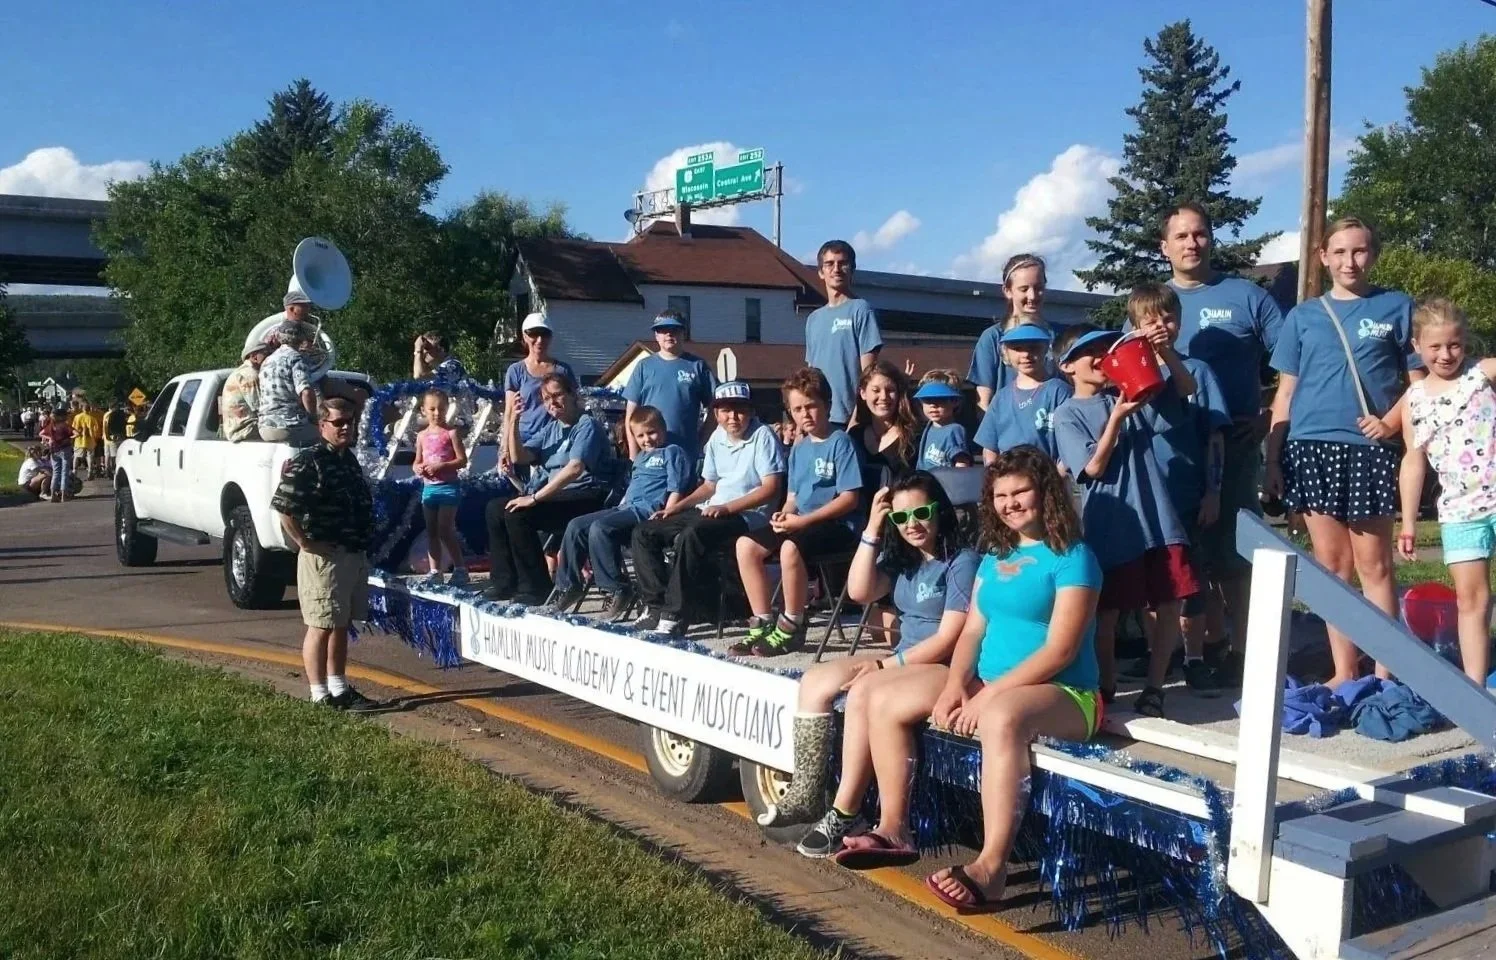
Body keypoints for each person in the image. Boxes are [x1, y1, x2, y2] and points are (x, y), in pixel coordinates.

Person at [921, 447, 1102, 912]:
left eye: (1020, 490)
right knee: (884, 692)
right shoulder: (994, 556)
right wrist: (956, 686)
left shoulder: (1073, 557)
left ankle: (991, 867)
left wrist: (990, 696)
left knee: (1001, 717)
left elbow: (1060, 650)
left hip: (1068, 694)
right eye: (1000, 495)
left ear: (1046, 493)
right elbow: (972, 630)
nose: (1010, 503)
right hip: (992, 688)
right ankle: (885, 827)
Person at [769, 473, 978, 859]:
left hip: (944, 663)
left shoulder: (961, 561)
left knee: (865, 689)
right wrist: (872, 529)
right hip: (905, 656)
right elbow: (860, 591)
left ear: (940, 511)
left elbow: (950, 638)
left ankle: (845, 811)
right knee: (816, 681)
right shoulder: (905, 558)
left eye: (921, 512)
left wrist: (885, 666)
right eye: (901, 517)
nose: (912, 524)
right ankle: (808, 792)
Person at [1265, 216, 1420, 686]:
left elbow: (1420, 385)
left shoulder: (1396, 307)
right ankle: (1344, 671)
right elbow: (1285, 393)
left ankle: (1386, 671)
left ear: (1372, 255)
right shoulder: (1303, 316)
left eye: (1359, 251)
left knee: (1375, 565)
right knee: (1333, 568)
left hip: (1367, 449)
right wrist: (1273, 458)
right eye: (1340, 252)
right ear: (1323, 257)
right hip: (1309, 447)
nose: (1350, 261)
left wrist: (1390, 422)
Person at [1152, 202, 1285, 673]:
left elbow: (1295, 358)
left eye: (1200, 234)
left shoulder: (1246, 296)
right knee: (1183, 558)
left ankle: (1243, 653)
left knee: (1233, 555)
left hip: (1235, 448)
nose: (1192, 243)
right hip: (1172, 456)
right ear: (1164, 246)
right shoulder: (1151, 307)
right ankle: (1192, 649)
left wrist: (1270, 413)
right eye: (1182, 236)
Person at [1052, 324, 1199, 716]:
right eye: (1089, 352)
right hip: (1114, 523)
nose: (1101, 357)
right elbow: (1093, 468)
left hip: (1158, 514)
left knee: (1168, 602)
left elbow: (1185, 390)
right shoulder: (1066, 414)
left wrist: (1162, 351)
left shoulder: (1129, 390)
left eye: (1105, 348)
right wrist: (1117, 419)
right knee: (1108, 613)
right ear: (1067, 367)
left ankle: (1155, 688)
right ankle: (1106, 686)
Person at [1127, 283, 1229, 693]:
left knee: (1191, 582)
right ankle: (1160, 656)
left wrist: (1214, 491)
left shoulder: (1197, 370)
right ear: (1135, 325)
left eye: (1168, 317)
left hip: (1186, 494)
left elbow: (1214, 435)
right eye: (1150, 319)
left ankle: (1194, 657)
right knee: (1153, 586)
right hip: (1144, 498)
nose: (1160, 326)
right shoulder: (1126, 369)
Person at [1393, 299, 1496, 686]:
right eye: (1435, 347)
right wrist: (1407, 524)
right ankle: (1475, 689)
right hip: (1460, 511)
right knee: (1472, 599)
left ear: (1465, 343)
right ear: (1417, 346)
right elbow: (1413, 462)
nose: (1446, 354)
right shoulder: (1414, 400)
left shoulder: (1483, 373)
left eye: (1454, 345)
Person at [630, 381, 786, 636]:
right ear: (716, 414)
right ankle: (655, 605)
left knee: (693, 534)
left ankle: (676, 614)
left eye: (740, 410)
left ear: (751, 411)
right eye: (725, 410)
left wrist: (727, 508)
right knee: (645, 531)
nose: (733, 416)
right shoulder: (716, 437)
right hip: (713, 508)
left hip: (748, 515)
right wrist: (676, 508)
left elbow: (771, 489)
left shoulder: (762, 436)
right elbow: (709, 485)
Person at [731, 368, 863, 656]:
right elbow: (792, 497)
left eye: (811, 405)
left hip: (836, 525)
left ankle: (792, 624)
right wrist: (784, 514)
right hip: (800, 522)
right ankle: (763, 622)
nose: (805, 414)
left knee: (790, 548)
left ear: (826, 404)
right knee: (746, 545)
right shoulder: (799, 449)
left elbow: (850, 498)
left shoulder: (841, 443)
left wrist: (802, 521)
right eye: (797, 409)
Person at [270, 397, 378, 711]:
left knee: (340, 623)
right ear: (322, 426)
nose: (345, 427)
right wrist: (305, 543)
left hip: (351, 553)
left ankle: (340, 689)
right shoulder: (310, 461)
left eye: (350, 421)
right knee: (320, 625)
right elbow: (283, 508)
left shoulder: (348, 459)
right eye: (338, 422)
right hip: (324, 558)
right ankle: (319, 695)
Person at [483, 373, 614, 606]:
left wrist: (534, 498)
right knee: (495, 508)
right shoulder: (551, 429)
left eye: (557, 395)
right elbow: (520, 455)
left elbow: (575, 468)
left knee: (520, 514)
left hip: (586, 496)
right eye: (546, 398)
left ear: (573, 395)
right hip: (556, 495)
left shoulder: (587, 426)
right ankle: (506, 582)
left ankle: (536, 586)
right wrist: (513, 420)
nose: (552, 402)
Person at [550, 405, 693, 617]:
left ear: (663, 429)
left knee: (601, 528)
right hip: (626, 506)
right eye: (641, 436)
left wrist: (668, 514)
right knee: (576, 525)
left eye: (652, 432)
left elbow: (677, 488)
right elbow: (632, 487)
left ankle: (616, 588)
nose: (647, 440)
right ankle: (568, 586)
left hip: (648, 510)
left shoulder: (672, 452)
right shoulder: (641, 458)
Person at [805, 240, 882, 428]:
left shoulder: (861, 309)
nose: (836, 269)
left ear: (852, 270)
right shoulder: (813, 319)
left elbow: (869, 374)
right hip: (819, 419)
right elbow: (810, 375)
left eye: (842, 263)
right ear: (821, 272)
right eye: (829, 264)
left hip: (850, 419)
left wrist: (858, 416)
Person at [973, 323, 1071, 465]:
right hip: (1009, 478)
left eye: (1034, 348)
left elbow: (1069, 449)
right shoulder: (1001, 398)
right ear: (1006, 353)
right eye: (1017, 349)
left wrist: (1055, 480)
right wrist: (994, 480)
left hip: (1049, 478)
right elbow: (990, 449)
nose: (1026, 354)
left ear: (1046, 350)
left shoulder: (1059, 391)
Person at [623, 311, 716, 460]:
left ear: (683, 333)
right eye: (663, 330)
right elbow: (630, 417)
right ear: (656, 336)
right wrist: (634, 457)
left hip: (685, 454)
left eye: (674, 330)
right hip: (650, 455)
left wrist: (700, 444)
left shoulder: (698, 366)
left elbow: (715, 410)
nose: (668, 334)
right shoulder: (644, 366)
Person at [968, 253, 1050, 411]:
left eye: (1038, 288)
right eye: (1024, 289)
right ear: (1007, 291)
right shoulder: (993, 337)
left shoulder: (1058, 335)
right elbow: (983, 403)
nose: (1032, 296)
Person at [413, 388, 469, 586]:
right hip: (430, 489)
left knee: (445, 529)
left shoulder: (451, 433)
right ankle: (435, 570)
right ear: (424, 410)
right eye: (432, 409)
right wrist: (419, 468)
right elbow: (417, 461)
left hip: (448, 487)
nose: (437, 413)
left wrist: (442, 466)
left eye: (441, 409)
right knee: (431, 530)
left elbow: (462, 460)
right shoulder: (421, 436)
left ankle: (460, 568)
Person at [504, 313, 578, 448]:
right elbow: (509, 412)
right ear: (525, 336)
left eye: (545, 334)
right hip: (524, 443)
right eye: (534, 334)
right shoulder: (515, 371)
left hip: (556, 441)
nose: (539, 340)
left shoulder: (563, 370)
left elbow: (575, 405)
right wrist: (505, 449)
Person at [851, 361, 918, 484]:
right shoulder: (854, 436)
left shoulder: (913, 436)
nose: (883, 397)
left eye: (890, 390)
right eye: (876, 390)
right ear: (863, 393)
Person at [258, 320, 322, 446]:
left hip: (265, 427)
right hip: (289, 426)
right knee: (327, 435)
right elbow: (306, 392)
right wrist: (314, 417)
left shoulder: (266, 361)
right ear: (300, 338)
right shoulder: (296, 358)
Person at [913, 371, 972, 470]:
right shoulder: (929, 427)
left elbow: (961, 464)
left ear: (955, 401)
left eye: (940, 399)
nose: (933, 405)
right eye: (927, 400)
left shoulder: (955, 430)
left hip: (946, 483)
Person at [222, 338, 272, 442]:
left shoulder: (242, 372)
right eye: (266, 354)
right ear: (254, 357)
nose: (269, 357)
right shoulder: (250, 375)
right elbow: (260, 407)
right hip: (245, 429)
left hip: (239, 429)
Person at [39, 408, 73, 503]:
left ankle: (53, 493)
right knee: (64, 472)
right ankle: (63, 494)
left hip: (54, 450)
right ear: (62, 416)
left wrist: (50, 438)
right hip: (65, 449)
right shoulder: (65, 426)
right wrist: (69, 438)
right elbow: (76, 433)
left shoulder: (50, 426)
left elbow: (41, 433)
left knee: (56, 472)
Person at [71, 402, 99, 479]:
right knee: (89, 456)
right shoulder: (92, 418)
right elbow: (96, 430)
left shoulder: (77, 417)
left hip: (79, 440)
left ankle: (74, 471)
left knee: (76, 456)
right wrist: (94, 439)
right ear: (89, 409)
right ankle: (90, 471)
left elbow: (73, 428)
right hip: (90, 440)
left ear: (82, 409)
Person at [102, 402, 127, 473]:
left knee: (107, 455)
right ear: (114, 407)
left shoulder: (106, 414)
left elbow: (105, 426)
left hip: (107, 437)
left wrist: (105, 435)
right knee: (115, 454)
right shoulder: (114, 415)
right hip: (114, 436)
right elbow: (110, 425)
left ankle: (107, 469)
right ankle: (115, 468)